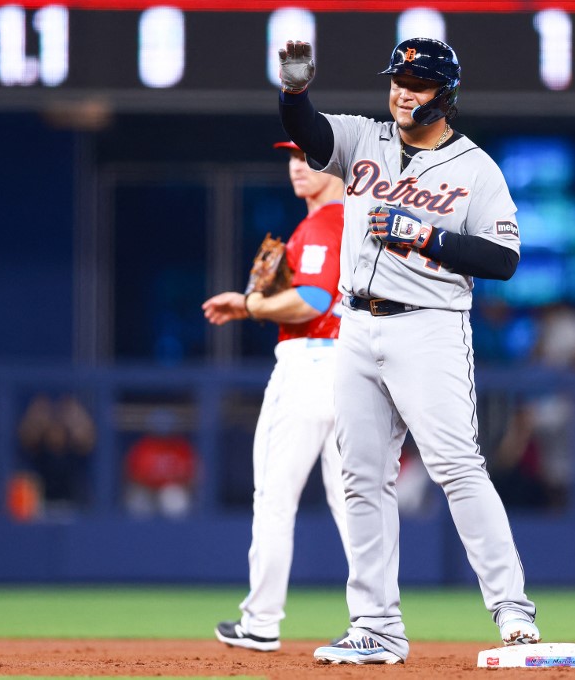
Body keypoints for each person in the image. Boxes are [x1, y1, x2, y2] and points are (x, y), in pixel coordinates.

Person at [277, 37, 540, 665]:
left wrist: (427, 236)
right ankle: (375, 626)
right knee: (361, 477)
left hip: (429, 327)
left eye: (417, 83)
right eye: (398, 79)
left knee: (456, 467)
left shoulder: (476, 167)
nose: (402, 91)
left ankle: (512, 609)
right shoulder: (366, 139)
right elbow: (310, 133)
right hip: (356, 326)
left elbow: (503, 257)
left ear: (444, 95)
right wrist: (293, 92)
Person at [204, 140, 351, 652]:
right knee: (355, 503)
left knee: (273, 498)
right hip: (353, 371)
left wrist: (250, 304)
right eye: (291, 158)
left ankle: (262, 621)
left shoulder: (322, 225)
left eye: (309, 158)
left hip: (310, 365)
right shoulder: (354, 224)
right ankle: (377, 622)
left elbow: (312, 299)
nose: (296, 166)